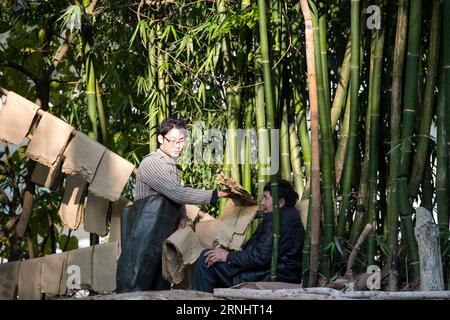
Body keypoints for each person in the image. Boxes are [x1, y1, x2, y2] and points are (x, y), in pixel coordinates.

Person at [116, 118, 230, 293]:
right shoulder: (153, 162)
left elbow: (174, 198)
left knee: (158, 287)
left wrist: (182, 217)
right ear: (161, 139)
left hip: (159, 237)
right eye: (173, 140)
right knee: (135, 285)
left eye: (181, 140)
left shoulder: (171, 165)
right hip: (144, 235)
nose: (178, 145)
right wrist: (216, 194)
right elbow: (177, 192)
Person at [192, 180, 305, 293]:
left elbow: (260, 257)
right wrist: (227, 253)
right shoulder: (282, 217)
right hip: (262, 273)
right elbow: (261, 253)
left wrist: (228, 256)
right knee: (211, 256)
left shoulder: (281, 223)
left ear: (280, 202)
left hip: (266, 278)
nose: (262, 202)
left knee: (206, 259)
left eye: (266, 198)